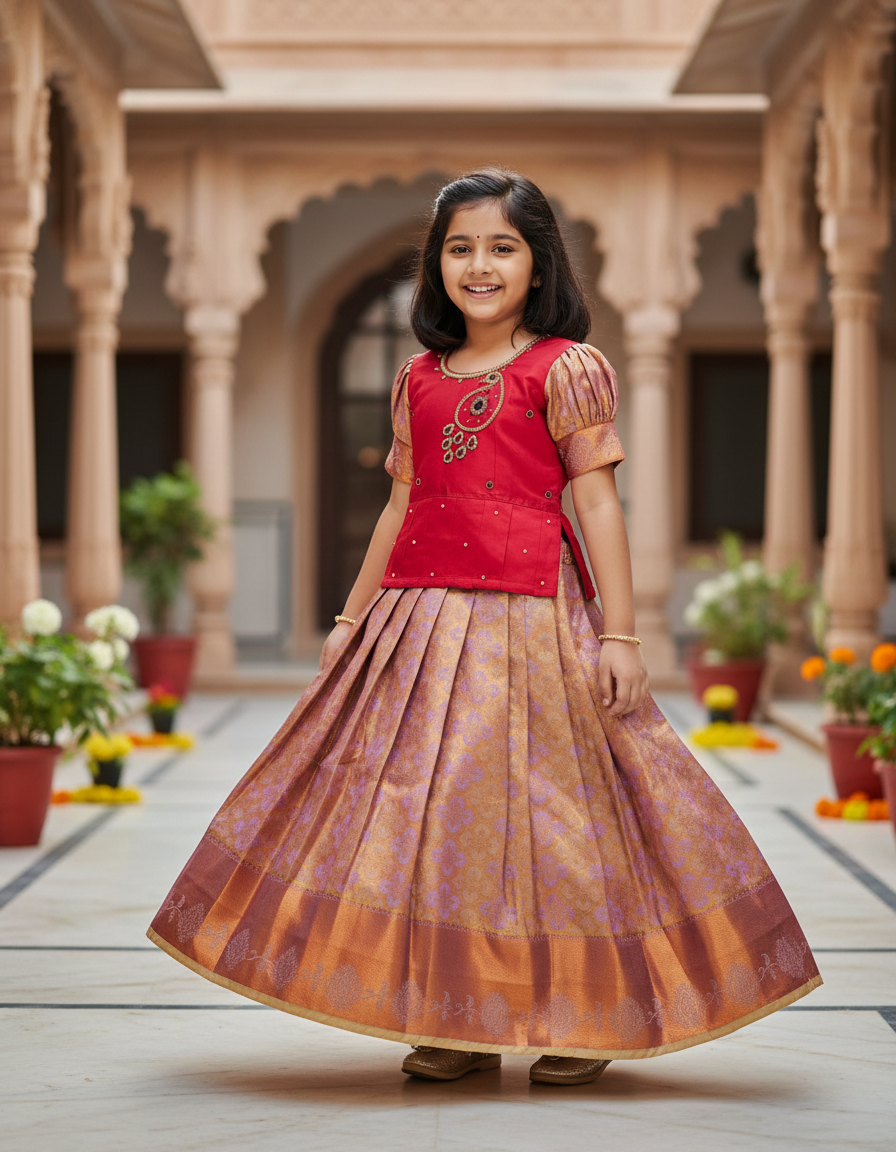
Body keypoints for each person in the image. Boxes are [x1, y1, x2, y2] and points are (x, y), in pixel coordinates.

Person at [149, 169, 820, 1087]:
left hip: (535, 621)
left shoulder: (567, 368)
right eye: (460, 247)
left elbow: (599, 506)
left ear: (538, 263)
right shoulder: (416, 378)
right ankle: (453, 1016)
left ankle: (584, 1019)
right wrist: (352, 619)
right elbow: (398, 509)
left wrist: (621, 638)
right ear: (436, 265)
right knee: (427, 822)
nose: (480, 264)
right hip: (418, 623)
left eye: (502, 247)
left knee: (558, 822)